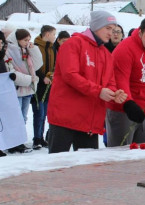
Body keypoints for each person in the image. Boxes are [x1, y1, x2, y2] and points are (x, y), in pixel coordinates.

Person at [47, 10, 127, 153]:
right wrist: (99, 91)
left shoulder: (106, 55)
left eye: (114, 29)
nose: (111, 33)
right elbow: (70, 75)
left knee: (88, 170)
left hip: (89, 122)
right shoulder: (73, 44)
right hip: (64, 119)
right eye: (107, 28)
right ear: (96, 26)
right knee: (57, 168)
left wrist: (115, 94)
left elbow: (110, 83)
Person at [106, 17, 145, 146]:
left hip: (144, 110)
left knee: (140, 153)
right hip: (123, 110)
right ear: (140, 33)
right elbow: (120, 80)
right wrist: (128, 104)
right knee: (120, 152)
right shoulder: (125, 49)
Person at [5, 29, 43, 153]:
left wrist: (34, 50)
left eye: (29, 40)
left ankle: (20, 140)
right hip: (18, 88)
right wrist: (29, 79)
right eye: (25, 40)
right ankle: (13, 143)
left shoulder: (26, 50)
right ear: (18, 40)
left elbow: (37, 65)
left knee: (23, 117)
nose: (27, 42)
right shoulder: (9, 50)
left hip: (27, 88)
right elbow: (10, 71)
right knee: (16, 117)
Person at [32, 25, 56, 149]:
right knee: (39, 112)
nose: (54, 37)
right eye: (53, 34)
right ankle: (36, 138)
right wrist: (43, 77)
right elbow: (33, 66)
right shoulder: (35, 47)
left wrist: (52, 74)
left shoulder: (52, 48)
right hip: (39, 83)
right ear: (47, 34)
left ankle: (41, 137)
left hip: (48, 83)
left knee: (45, 113)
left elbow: (53, 64)